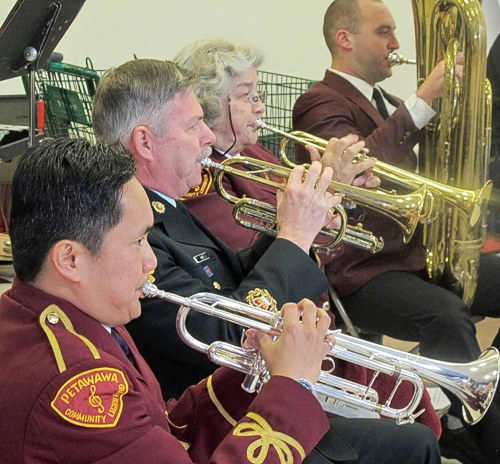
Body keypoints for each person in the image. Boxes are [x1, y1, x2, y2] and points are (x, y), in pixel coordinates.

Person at [92, 58, 442, 464]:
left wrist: (295, 228)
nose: (208, 136)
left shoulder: (167, 207)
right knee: (412, 445)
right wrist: (294, 236)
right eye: (193, 126)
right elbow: (221, 330)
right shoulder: (132, 231)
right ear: (145, 142)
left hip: (249, 399)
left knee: (412, 439)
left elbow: (230, 278)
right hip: (223, 422)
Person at [0, 137, 340, 463]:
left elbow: (161, 429)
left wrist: (245, 372)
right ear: (70, 260)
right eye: (137, 242)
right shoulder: (79, 378)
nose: (151, 262)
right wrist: (293, 386)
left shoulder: (58, 316)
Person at [174, 36, 440, 432]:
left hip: (312, 322)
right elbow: (258, 274)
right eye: (247, 95)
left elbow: (303, 236)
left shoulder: (256, 156)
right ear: (210, 106)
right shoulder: (200, 183)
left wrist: (334, 194)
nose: (261, 106)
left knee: (410, 404)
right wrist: (308, 217)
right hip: (272, 352)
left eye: (259, 92)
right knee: (409, 428)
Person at [292, 0, 500, 462]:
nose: (397, 44)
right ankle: (482, 439)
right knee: (445, 315)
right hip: (361, 269)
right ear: (345, 39)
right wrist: (424, 99)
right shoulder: (318, 103)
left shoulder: (381, 100)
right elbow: (361, 166)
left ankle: (472, 413)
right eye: (383, 32)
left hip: (412, 256)